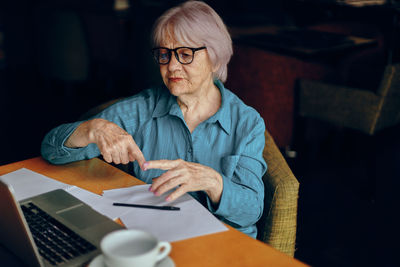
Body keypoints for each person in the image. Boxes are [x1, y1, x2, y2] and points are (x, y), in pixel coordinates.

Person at [41, 0, 267, 238]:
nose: (171, 67)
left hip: (224, 246)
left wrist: (212, 181)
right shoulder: (141, 110)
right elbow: (50, 150)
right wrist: (91, 129)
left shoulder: (247, 123)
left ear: (216, 59)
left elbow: (251, 211)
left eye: (184, 54)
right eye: (164, 55)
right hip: (154, 240)